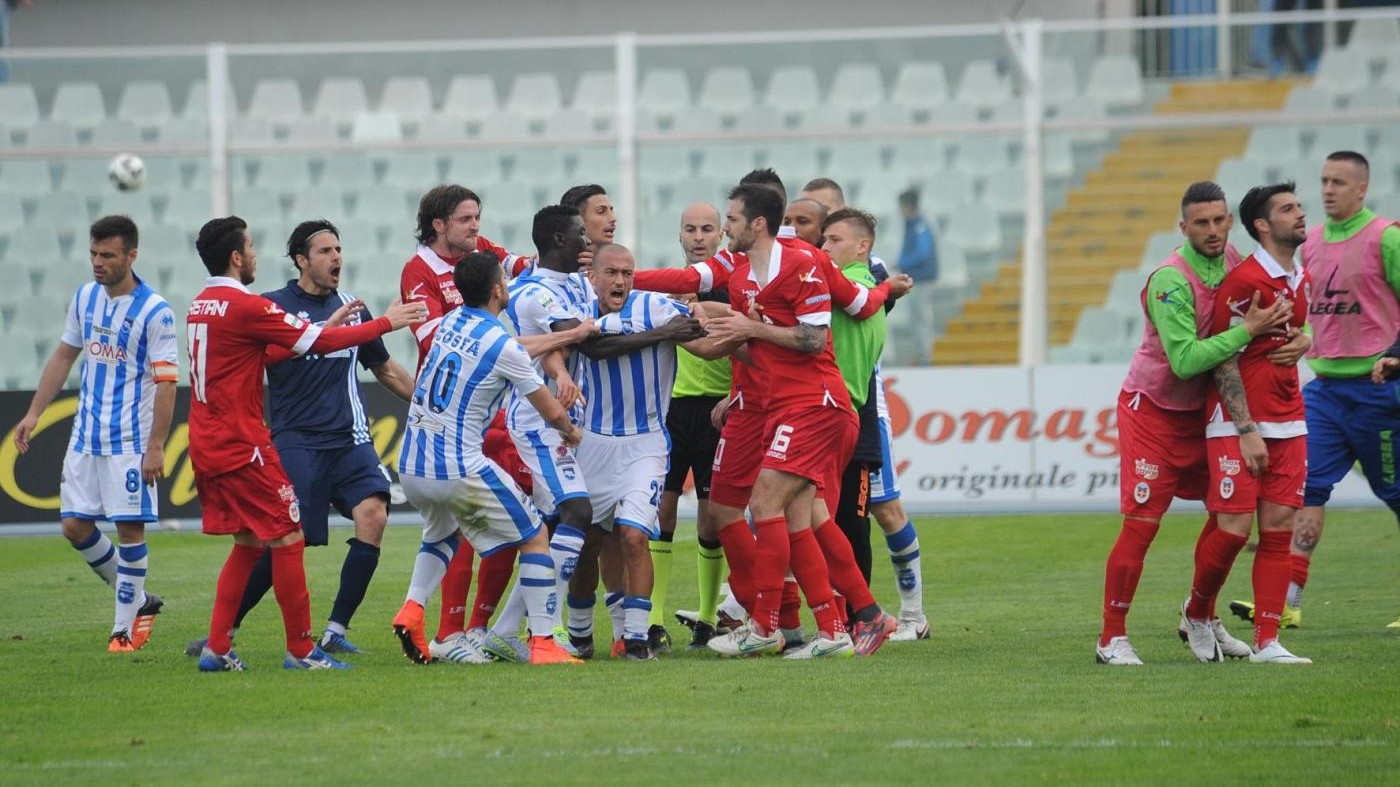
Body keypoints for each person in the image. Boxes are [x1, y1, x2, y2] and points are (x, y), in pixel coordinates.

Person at [187, 215, 425, 672]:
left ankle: (224, 646)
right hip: (256, 440)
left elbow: (271, 351)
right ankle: (300, 651)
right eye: (251, 247)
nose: (255, 254)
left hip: (214, 438)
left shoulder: (203, 303)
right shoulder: (254, 305)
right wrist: (387, 323)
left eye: (339, 249)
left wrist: (326, 331)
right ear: (237, 257)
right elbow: (309, 341)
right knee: (286, 537)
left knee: (252, 540)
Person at [1096, 182, 1296, 667]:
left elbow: (1285, 315)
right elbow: (1184, 361)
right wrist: (1248, 330)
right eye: (1201, 223)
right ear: (1183, 227)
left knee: (1230, 522)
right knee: (1142, 524)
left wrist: (1303, 338)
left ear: (1231, 222)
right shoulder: (1170, 279)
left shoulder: (1234, 262)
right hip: (1156, 414)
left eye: (1219, 220)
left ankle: (1199, 613)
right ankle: (1111, 637)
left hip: (1208, 415)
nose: (1212, 230)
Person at [702, 183, 886, 659]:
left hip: (816, 404)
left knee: (765, 502)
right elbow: (755, 348)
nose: (726, 228)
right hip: (785, 408)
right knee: (800, 516)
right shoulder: (745, 281)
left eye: (732, 219)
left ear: (757, 223)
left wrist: (749, 327)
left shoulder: (802, 263)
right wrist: (699, 329)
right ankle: (835, 629)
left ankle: (765, 625)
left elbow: (811, 339)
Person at [1232, 151, 1400, 632]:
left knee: (1397, 494)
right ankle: (1289, 601)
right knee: (1307, 491)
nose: (1327, 190)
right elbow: (1305, 311)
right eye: (1324, 181)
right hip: (1324, 389)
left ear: (1362, 189)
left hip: (1378, 388)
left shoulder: (1386, 237)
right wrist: (1304, 337)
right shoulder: (1314, 242)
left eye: (1339, 182)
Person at [393, 251, 584, 666]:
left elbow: (512, 346)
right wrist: (573, 433)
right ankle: (544, 642)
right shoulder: (502, 345)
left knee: (440, 535)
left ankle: (412, 609)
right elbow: (551, 410)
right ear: (499, 289)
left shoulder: (447, 323)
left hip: (411, 462)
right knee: (535, 535)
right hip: (457, 465)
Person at [13, 215, 176, 652]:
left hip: (130, 442)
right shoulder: (85, 297)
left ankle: (122, 631)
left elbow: (166, 382)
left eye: (107, 255)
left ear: (131, 256)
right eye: (93, 254)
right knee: (73, 526)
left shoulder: (155, 311)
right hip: (86, 437)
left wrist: (156, 445)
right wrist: (33, 414)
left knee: (129, 531)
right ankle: (140, 601)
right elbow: (64, 356)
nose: (98, 263)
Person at [398, 184, 532, 664]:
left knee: (473, 529)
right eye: (466, 219)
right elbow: (437, 340)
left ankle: (475, 628)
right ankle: (452, 630)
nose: (476, 227)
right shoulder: (418, 272)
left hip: (495, 409)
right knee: (482, 525)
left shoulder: (482, 253)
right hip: (456, 419)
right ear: (439, 225)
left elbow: (524, 265)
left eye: (478, 217)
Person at [1184, 182, 1313, 665]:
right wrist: (1247, 429)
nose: (1300, 214)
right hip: (1238, 423)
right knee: (1235, 528)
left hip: (1290, 418)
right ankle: (1197, 612)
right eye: (1287, 209)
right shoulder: (1243, 281)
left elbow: (1296, 332)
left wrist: (1306, 339)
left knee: (1279, 529)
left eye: (1298, 206)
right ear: (1262, 225)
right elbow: (1223, 358)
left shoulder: (1301, 275)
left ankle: (1267, 641)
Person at [572, 243, 720, 659]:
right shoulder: (579, 310)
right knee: (590, 544)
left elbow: (694, 334)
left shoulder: (654, 306)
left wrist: (705, 317)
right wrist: (664, 335)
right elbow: (594, 347)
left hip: (646, 443)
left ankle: (636, 639)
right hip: (593, 442)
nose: (620, 281)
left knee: (636, 537)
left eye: (627, 273)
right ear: (593, 277)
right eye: (612, 273)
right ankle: (581, 635)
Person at [801, 179, 928, 638]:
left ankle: (897, 614)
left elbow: (860, 302)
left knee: (880, 508)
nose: (820, 233)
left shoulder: (861, 270)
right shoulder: (823, 268)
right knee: (812, 513)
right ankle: (832, 618)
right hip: (823, 406)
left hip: (859, 406)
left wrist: (886, 288)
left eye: (826, 221)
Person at [654, 202, 734, 650]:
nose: (699, 236)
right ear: (679, 237)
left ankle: (706, 617)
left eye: (707, 229)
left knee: (711, 517)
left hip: (716, 412)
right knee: (660, 509)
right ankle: (654, 616)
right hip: (670, 411)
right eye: (691, 229)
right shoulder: (666, 292)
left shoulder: (732, 290)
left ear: (721, 236)